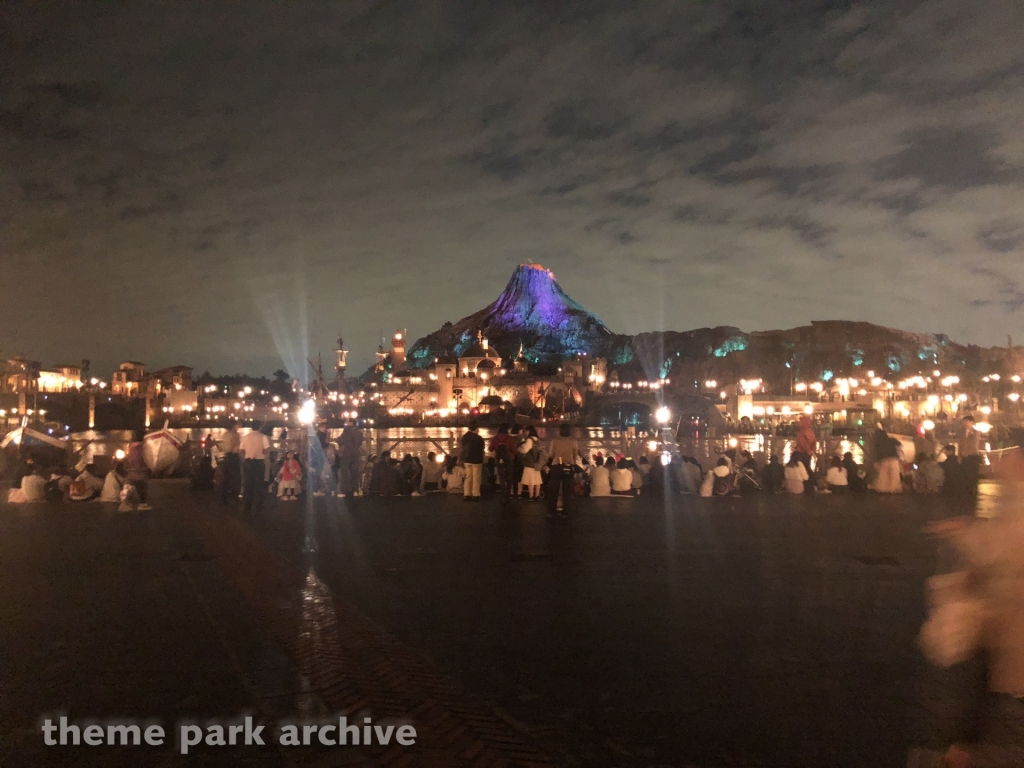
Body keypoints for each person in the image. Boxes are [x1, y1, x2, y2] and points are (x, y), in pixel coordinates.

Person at [922, 504, 1024, 762]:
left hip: (1009, 617)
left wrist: (964, 532)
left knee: (986, 683)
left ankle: (963, 746)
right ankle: (963, 745)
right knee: (983, 681)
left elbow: (1000, 549)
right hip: (1002, 617)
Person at [239, 424, 271, 514]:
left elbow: (241, 450)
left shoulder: (245, 437)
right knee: (258, 484)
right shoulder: (263, 437)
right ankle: (257, 505)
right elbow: (266, 450)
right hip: (259, 462)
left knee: (248, 483)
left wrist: (248, 452)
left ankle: (247, 505)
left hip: (248, 462)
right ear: (260, 427)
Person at [547, 424, 579, 514]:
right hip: (569, 466)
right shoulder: (574, 441)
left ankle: (551, 511)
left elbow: (550, 454)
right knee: (567, 491)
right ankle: (566, 511)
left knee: (554, 490)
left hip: (556, 466)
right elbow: (575, 455)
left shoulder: (554, 441)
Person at [870, 424, 903, 494]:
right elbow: (900, 445)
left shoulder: (878, 443)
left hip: (883, 460)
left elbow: (876, 453)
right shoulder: (891, 439)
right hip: (894, 459)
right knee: (894, 476)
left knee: (884, 476)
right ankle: (893, 490)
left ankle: (884, 490)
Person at [488, 424, 517, 501]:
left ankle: (503, 495)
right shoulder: (509, 438)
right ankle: (508, 494)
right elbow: (514, 450)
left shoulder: (495, 438)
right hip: (509, 459)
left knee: (502, 478)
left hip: (499, 459)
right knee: (509, 477)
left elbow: (490, 449)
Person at [125, 432, 152, 510]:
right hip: (140, 470)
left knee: (132, 486)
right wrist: (147, 467)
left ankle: (127, 503)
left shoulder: (131, 447)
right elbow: (143, 458)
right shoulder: (142, 447)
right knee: (142, 487)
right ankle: (142, 504)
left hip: (132, 470)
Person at [337, 422, 363, 497]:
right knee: (355, 473)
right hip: (355, 454)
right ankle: (355, 490)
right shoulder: (359, 433)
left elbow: (341, 441)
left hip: (346, 455)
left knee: (344, 473)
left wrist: (338, 439)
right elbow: (359, 443)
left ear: (351, 423)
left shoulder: (346, 431)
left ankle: (343, 491)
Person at [460, 422, 485, 501]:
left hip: (467, 459)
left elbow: (462, 448)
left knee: (468, 477)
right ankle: (476, 494)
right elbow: (482, 448)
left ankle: (467, 494)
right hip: (476, 460)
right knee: (476, 477)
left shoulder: (464, 437)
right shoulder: (479, 438)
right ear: (476, 428)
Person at [793, 415, 817, 494]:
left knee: (803, 467)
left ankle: (809, 483)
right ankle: (813, 482)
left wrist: (807, 450)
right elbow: (814, 442)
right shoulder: (811, 431)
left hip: (802, 452)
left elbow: (802, 442)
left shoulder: (802, 432)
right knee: (807, 466)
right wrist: (812, 451)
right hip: (808, 453)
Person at [959, 415, 983, 494]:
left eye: (967, 422)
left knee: (972, 476)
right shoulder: (962, 433)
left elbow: (974, 445)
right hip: (964, 457)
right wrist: (960, 456)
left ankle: (973, 492)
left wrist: (967, 452)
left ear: (972, 422)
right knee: (965, 475)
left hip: (972, 456)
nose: (965, 424)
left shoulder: (976, 432)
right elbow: (960, 445)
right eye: (964, 422)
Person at [517, 426, 543, 500]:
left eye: (527, 431)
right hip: (537, 462)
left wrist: (519, 449)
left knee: (530, 480)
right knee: (537, 479)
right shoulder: (538, 440)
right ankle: (537, 495)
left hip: (529, 462)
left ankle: (531, 495)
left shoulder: (529, 440)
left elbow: (525, 450)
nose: (526, 433)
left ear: (529, 431)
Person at [219, 421, 242, 504]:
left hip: (228, 456)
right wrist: (236, 447)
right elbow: (232, 447)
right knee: (236, 476)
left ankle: (225, 496)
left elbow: (225, 447)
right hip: (233, 456)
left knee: (227, 476)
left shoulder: (226, 434)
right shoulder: (234, 435)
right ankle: (234, 495)